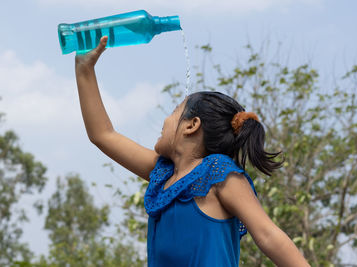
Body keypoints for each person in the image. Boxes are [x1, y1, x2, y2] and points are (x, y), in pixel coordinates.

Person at [75, 36, 311, 267]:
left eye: (175, 111)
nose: (166, 120)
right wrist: (85, 69)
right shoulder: (163, 174)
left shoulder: (218, 173)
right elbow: (103, 135)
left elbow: (268, 235)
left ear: (191, 125)